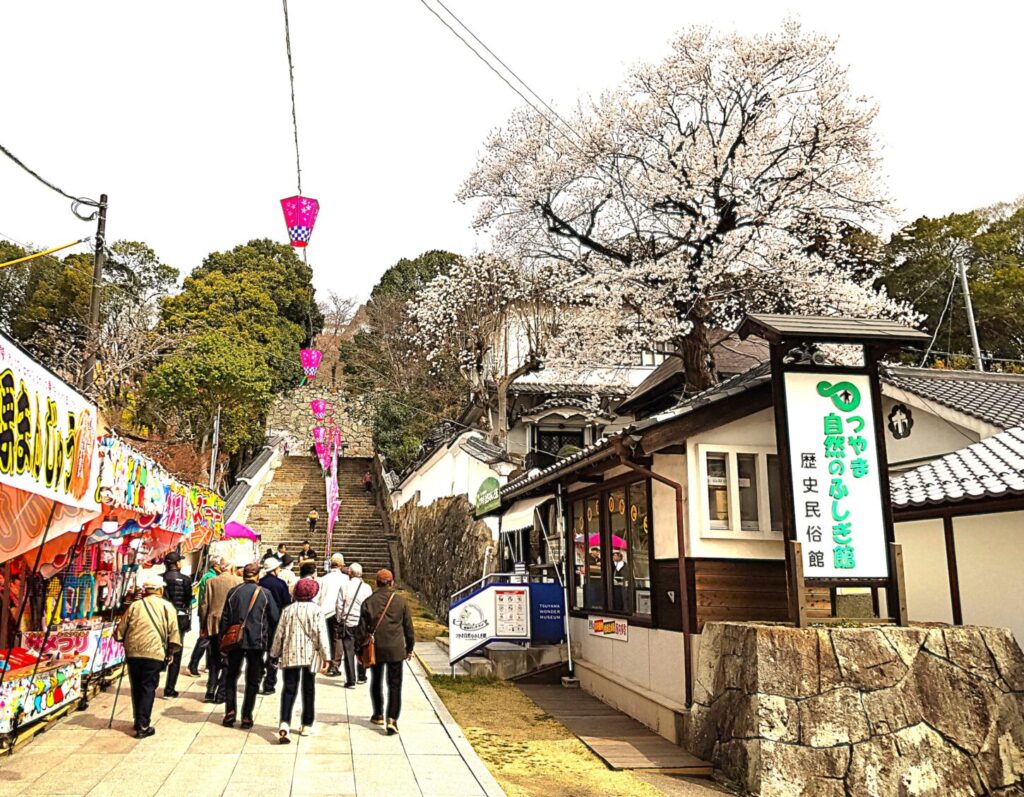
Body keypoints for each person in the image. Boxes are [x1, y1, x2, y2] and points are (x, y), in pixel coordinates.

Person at [115, 574, 181, 739]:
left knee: (136, 686)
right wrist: (171, 652)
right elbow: (174, 632)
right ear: (160, 589)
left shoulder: (134, 606)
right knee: (148, 688)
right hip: (155, 653)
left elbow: (119, 632)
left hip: (134, 652)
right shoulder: (167, 607)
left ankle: (138, 721)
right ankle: (143, 725)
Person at [270, 577, 332, 743]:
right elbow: (321, 635)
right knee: (308, 689)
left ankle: (284, 722)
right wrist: (327, 657)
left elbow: (279, 634)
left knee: (289, 689)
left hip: (290, 653)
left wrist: (274, 654)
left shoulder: (288, 610)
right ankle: (306, 724)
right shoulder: (316, 611)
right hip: (310, 656)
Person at [219, 563, 279, 728]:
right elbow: (275, 617)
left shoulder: (234, 592)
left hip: (235, 641)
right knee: (252, 679)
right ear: (257, 575)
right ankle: (246, 715)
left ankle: (230, 711)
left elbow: (224, 618)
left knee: (231, 676)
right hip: (256, 641)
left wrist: (222, 639)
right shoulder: (265, 594)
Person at [356, 569, 414, 736]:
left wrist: (359, 650)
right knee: (395, 684)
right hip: (396, 648)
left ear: (376, 582)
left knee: (376, 680)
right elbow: (408, 628)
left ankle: (378, 713)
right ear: (392, 582)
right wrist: (409, 648)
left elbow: (361, 630)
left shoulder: (368, 601)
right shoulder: (400, 602)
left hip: (376, 647)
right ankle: (392, 719)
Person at [199, 558, 241, 703]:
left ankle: (210, 690)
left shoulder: (211, 582)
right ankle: (221, 693)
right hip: (230, 625)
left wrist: (203, 625)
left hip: (213, 623)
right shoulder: (238, 582)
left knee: (214, 658)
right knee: (228, 660)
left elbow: (204, 606)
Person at [160, 551, 192, 698]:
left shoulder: (161, 579)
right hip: (179, 618)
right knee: (176, 651)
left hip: (162, 618)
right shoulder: (185, 580)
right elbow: (188, 599)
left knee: (160, 649)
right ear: (177, 563)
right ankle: (170, 688)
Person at [336, 562, 372, 688]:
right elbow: (369, 607)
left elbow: (339, 606)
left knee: (349, 651)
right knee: (362, 649)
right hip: (361, 623)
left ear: (350, 573)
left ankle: (351, 680)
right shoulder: (367, 588)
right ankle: (362, 676)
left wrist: (340, 619)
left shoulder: (344, 586)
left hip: (348, 622)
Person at [259, 557, 291, 695]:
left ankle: (258, 676)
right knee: (273, 655)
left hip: (260, 622)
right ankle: (269, 684)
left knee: (258, 654)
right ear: (274, 569)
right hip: (276, 622)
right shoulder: (280, 584)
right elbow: (286, 603)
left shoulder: (259, 583)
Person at [317, 553, 349, 676]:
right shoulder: (346, 579)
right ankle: (334, 665)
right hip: (338, 612)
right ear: (341, 565)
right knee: (337, 639)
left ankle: (325, 663)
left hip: (325, 612)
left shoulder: (323, 579)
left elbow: (318, 597)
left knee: (327, 639)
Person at [187, 555, 219, 676]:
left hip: (208, 611)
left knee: (210, 640)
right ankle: (193, 665)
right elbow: (206, 599)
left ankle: (209, 664)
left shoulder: (210, 576)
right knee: (204, 639)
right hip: (207, 612)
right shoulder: (210, 577)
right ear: (216, 566)